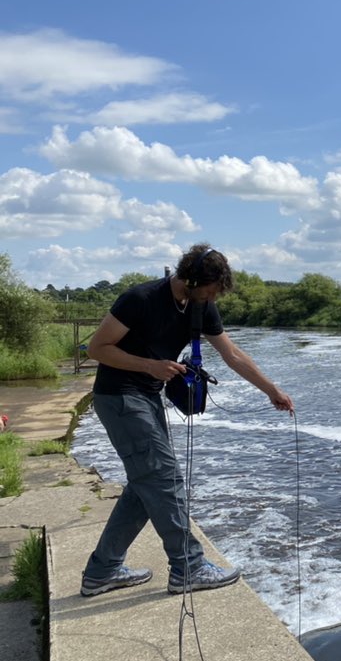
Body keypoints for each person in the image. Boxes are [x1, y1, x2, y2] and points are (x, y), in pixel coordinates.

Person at [80, 244, 294, 597]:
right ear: (191, 278)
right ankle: (189, 567)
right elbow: (97, 348)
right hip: (118, 396)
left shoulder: (200, 306)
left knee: (144, 484)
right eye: (209, 291)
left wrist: (271, 390)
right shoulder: (141, 298)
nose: (211, 298)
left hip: (147, 397)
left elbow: (233, 354)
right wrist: (150, 365)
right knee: (163, 479)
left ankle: (102, 571)